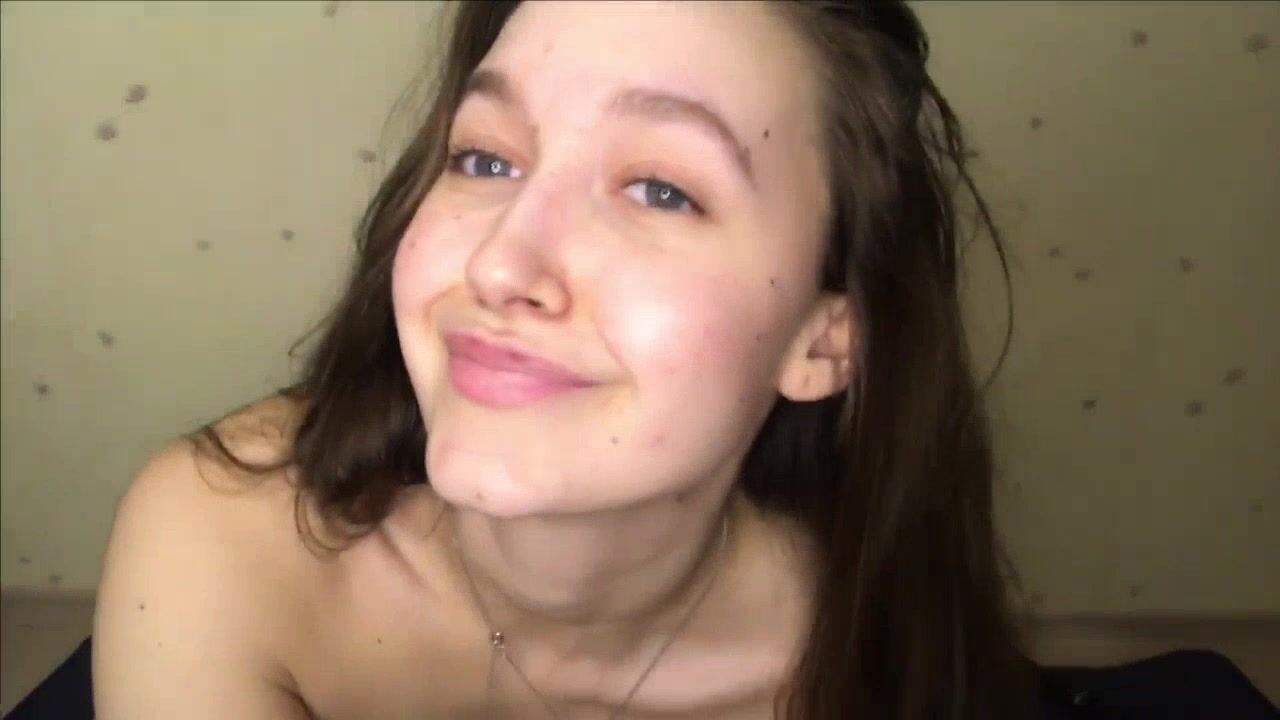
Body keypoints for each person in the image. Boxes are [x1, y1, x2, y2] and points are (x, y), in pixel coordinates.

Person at [92, 1, 1037, 718]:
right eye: (485, 160)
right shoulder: (227, 543)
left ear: (825, 339)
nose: (500, 266)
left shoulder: (880, 654)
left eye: (660, 189)